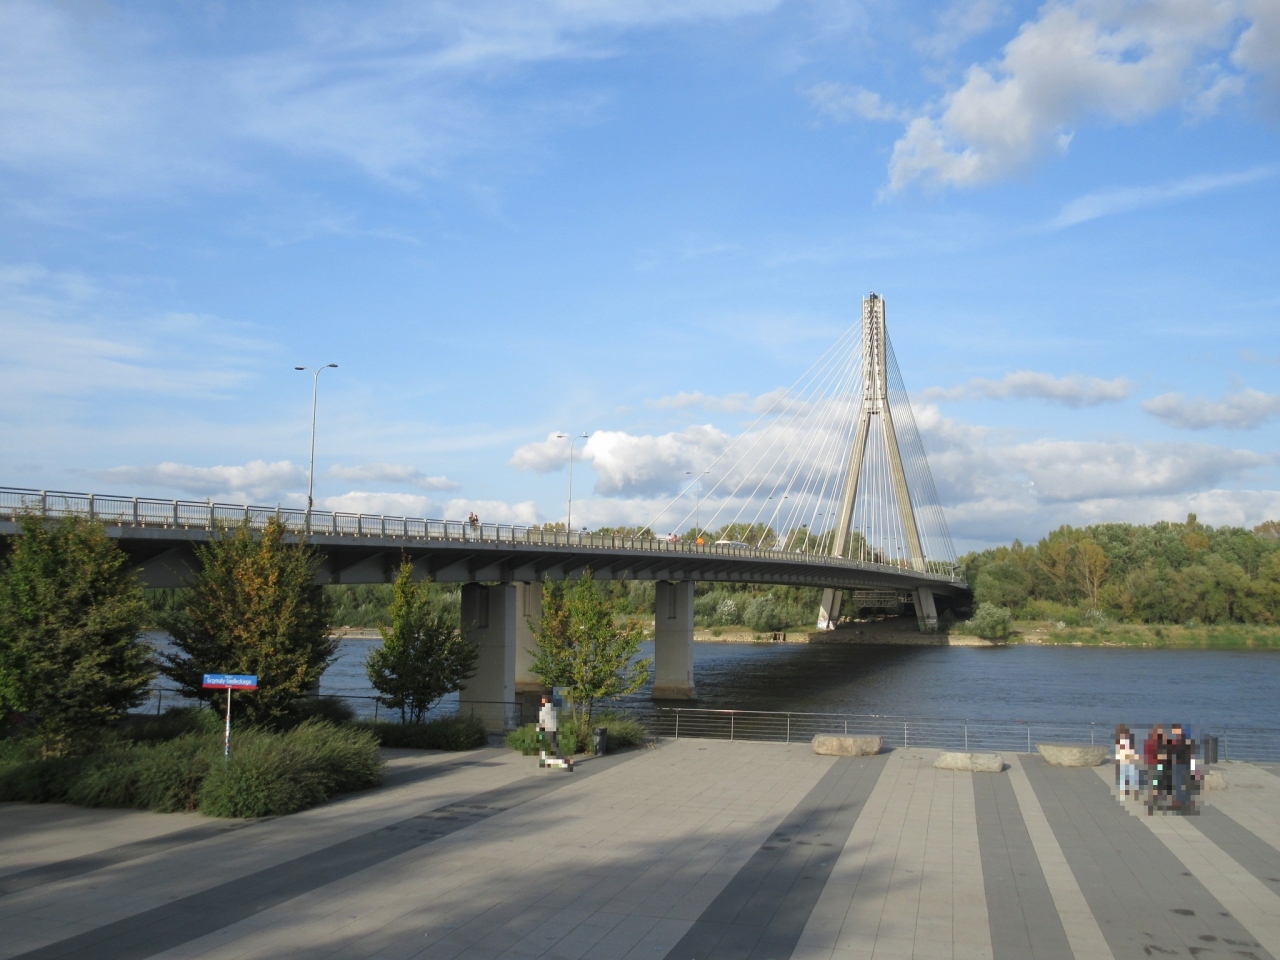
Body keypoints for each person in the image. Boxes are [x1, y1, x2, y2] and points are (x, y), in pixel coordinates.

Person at [537, 695, 572, 771]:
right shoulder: (553, 708)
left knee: (553, 746)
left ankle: (564, 762)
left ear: (545, 700)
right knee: (555, 744)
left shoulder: (543, 710)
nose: (542, 701)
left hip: (548, 729)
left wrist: (539, 729)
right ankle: (558, 759)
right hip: (555, 728)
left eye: (542, 699)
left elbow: (542, 721)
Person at [1115, 724, 1141, 800]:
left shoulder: (1121, 740)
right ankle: (1131, 792)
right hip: (1127, 759)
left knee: (1128, 776)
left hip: (1127, 759)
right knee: (1130, 776)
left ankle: (1127, 792)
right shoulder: (1124, 740)